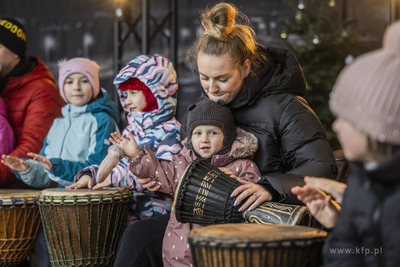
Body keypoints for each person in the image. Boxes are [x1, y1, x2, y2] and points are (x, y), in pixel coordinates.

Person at [113, 3, 338, 267]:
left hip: (263, 220)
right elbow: (189, 165)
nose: (211, 88)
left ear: (245, 67)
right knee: (138, 237)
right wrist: (163, 184)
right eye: (204, 77)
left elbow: (322, 166)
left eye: (222, 78)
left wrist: (269, 188)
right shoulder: (202, 109)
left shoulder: (286, 107)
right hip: (203, 217)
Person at [293, 21, 400, 266]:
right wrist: (336, 222)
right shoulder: (362, 181)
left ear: (377, 131)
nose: (336, 126)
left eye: (348, 120)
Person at [110, 98, 262, 267]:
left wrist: (234, 183)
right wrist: (136, 154)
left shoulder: (241, 165)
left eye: (212, 133)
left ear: (227, 137)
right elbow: (159, 172)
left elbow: (253, 198)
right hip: (178, 251)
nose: (204, 139)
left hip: (219, 252)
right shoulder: (183, 163)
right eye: (198, 133)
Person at [71, 54, 181, 222]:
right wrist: (91, 176)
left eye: (133, 93)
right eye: (125, 93)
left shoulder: (171, 132)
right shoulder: (132, 129)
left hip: (157, 217)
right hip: (127, 213)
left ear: (155, 93)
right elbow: (115, 165)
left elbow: (164, 177)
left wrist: (115, 178)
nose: (127, 100)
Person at [1, 57, 119, 188]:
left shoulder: (103, 121)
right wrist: (27, 168)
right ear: (62, 87)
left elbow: (99, 167)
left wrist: (57, 167)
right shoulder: (58, 124)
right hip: (63, 202)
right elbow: (47, 170)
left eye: (84, 81)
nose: (76, 88)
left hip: (92, 202)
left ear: (95, 85)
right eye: (69, 82)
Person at [0, 18, 64, 187]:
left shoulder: (42, 90)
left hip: (26, 189)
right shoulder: (2, 82)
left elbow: (30, 150)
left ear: (15, 53)